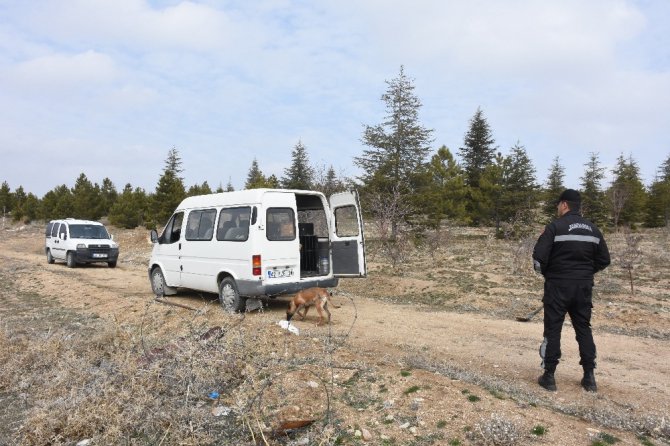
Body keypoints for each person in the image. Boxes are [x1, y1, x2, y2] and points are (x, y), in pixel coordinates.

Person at [532, 189, 611, 392]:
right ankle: (589, 377)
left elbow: (538, 259)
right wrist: (585, 273)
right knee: (583, 328)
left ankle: (549, 376)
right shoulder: (593, 230)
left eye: (558, 205)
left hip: (557, 286)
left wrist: (552, 275)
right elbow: (605, 260)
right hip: (583, 287)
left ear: (564, 205)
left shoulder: (555, 227)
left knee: (553, 329)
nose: (557, 208)